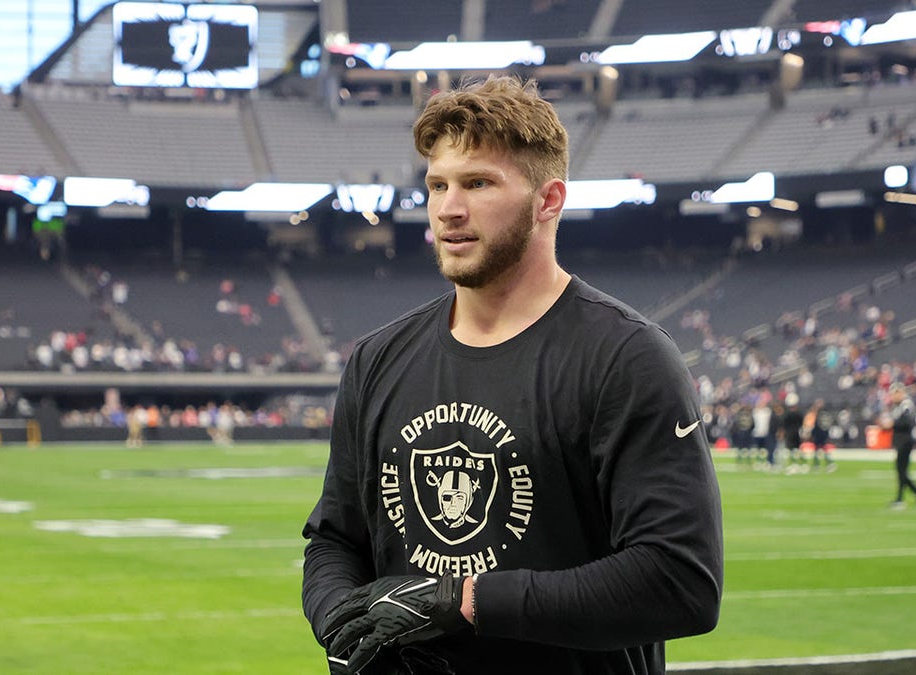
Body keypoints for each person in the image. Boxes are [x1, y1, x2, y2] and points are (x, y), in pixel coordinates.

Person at [301, 77, 723, 675]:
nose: (448, 208)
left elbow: (681, 580)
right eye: (438, 185)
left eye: (478, 183)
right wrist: (342, 620)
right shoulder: (376, 360)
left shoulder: (626, 358)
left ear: (548, 201)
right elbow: (334, 541)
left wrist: (465, 601)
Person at [885, 383, 916, 509]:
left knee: (901, 471)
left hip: (906, 441)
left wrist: (893, 424)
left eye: (894, 394)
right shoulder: (899, 406)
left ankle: (905, 498)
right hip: (902, 441)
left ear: (900, 393)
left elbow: (907, 421)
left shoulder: (906, 405)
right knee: (901, 471)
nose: (892, 397)